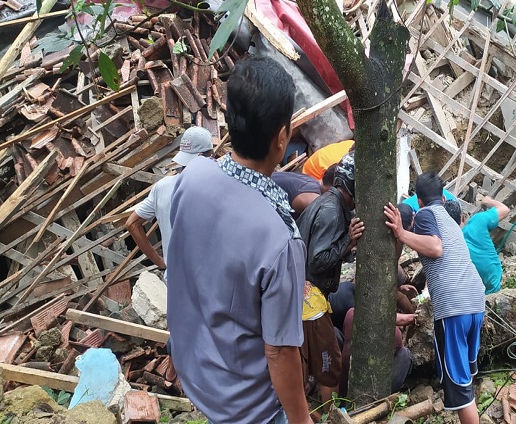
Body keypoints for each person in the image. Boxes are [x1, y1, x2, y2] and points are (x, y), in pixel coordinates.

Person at [165, 56, 312, 424]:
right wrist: (301, 419)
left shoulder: (192, 178)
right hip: (247, 407)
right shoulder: (281, 239)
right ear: (282, 138)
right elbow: (279, 351)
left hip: (196, 372)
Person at [384, 172, 486, 424]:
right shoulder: (451, 219)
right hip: (475, 301)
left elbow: (435, 247)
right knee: (465, 378)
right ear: (442, 196)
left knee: (460, 388)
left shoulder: (426, 215)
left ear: (418, 200)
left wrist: (400, 233)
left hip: (454, 307)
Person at [296, 151, 364, 403]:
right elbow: (318, 259)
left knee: (305, 364)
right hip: (309, 300)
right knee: (329, 366)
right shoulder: (331, 211)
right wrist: (347, 241)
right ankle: (329, 414)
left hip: (303, 295)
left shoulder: (324, 203)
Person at [125, 126, 213, 278]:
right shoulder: (215, 187)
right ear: (207, 155)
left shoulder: (162, 187)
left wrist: (160, 261)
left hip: (175, 279)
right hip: (207, 279)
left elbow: (132, 224)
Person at [462, 196, 511, 294]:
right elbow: (505, 210)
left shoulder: (448, 241)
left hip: (470, 293)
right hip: (494, 281)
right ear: (463, 216)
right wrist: (488, 201)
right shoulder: (477, 220)